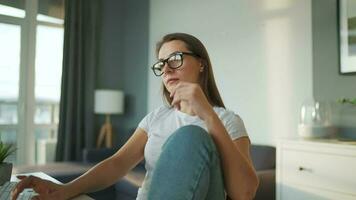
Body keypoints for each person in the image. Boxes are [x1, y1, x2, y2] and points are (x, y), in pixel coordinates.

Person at [12, 33, 259, 200]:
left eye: (175, 59)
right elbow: (117, 164)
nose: (167, 69)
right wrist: (64, 190)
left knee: (191, 137)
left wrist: (206, 114)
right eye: (162, 64)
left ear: (201, 64)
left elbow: (244, 193)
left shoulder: (227, 121)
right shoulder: (156, 118)